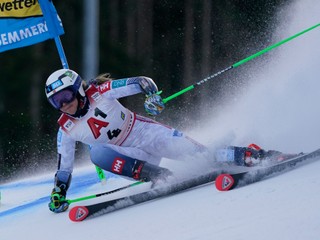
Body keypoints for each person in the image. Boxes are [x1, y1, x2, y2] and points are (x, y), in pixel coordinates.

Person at [45, 69, 268, 213]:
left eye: (65, 96)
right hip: (131, 155)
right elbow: (64, 167)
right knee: (97, 153)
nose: (63, 104)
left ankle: (249, 155)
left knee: (203, 156)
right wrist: (59, 192)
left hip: (147, 134)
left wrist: (152, 96)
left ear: (78, 91)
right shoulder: (66, 127)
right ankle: (159, 176)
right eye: (56, 102)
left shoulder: (100, 91)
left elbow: (141, 81)